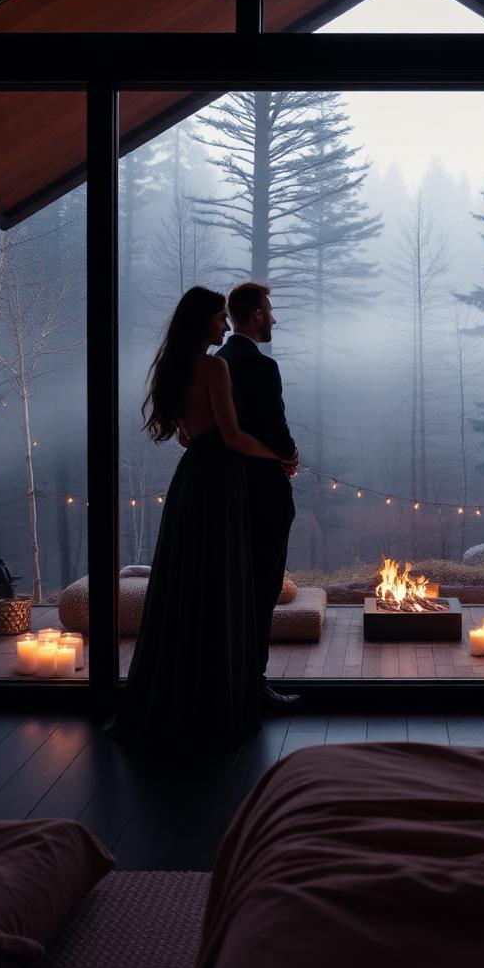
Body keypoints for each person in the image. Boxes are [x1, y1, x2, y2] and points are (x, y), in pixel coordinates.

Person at [105, 286, 296, 749]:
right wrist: (280, 457)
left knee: (190, 585)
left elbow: (186, 439)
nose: (224, 325)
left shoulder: (173, 368)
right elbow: (232, 436)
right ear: (203, 321)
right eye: (218, 318)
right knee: (224, 586)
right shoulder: (214, 368)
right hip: (220, 482)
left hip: (190, 481)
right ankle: (225, 698)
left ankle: (185, 693)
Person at [216, 282, 303, 718]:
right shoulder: (261, 366)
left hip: (224, 489)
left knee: (230, 590)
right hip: (264, 492)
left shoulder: (218, 362)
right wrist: (289, 456)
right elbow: (274, 425)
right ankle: (254, 685)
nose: (274, 318)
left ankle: (225, 683)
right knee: (262, 589)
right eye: (269, 310)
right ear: (254, 314)